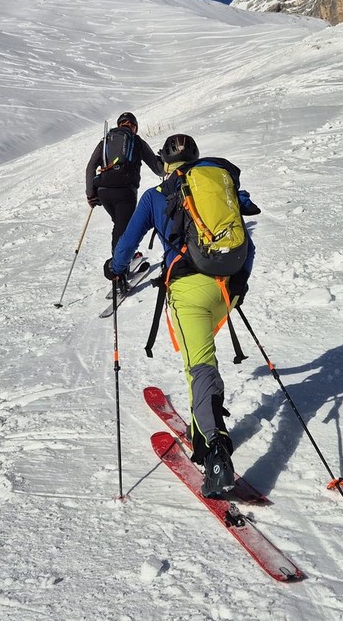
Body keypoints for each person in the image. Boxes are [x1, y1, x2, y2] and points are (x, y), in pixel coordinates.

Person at [104, 133, 252, 498]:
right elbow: (246, 224)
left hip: (189, 292)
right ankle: (204, 433)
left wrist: (116, 267)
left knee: (199, 364)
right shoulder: (215, 185)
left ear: (165, 164)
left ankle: (215, 454)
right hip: (227, 286)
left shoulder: (156, 196)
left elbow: (128, 242)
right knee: (202, 362)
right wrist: (240, 283)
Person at [84, 112, 164, 283]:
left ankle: (123, 255)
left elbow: (91, 166)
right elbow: (158, 169)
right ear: (134, 127)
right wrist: (167, 162)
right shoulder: (137, 141)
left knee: (120, 225)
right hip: (125, 192)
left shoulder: (106, 140)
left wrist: (91, 194)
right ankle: (118, 270)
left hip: (103, 192)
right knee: (123, 230)